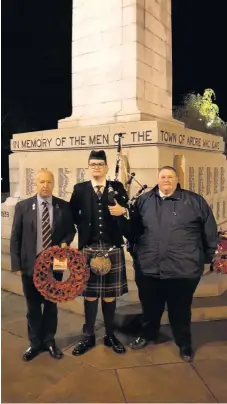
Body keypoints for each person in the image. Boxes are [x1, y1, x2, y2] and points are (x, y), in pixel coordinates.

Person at [127, 166, 218, 361]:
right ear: (157, 179)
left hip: (183, 270)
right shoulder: (144, 201)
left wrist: (207, 257)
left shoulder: (194, 201)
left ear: (177, 179)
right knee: (150, 308)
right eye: (162, 176)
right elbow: (133, 231)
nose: (166, 180)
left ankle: (184, 344)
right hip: (149, 268)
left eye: (170, 176)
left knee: (180, 311)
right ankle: (147, 334)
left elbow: (209, 231)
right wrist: (136, 255)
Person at [10, 170, 76, 361]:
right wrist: (17, 265)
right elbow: (15, 237)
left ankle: (49, 341)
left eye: (48, 181)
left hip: (55, 265)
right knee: (32, 307)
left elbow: (70, 231)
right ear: (35, 184)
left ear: (53, 183)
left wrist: (65, 242)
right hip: (30, 266)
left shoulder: (63, 206)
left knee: (50, 305)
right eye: (41, 181)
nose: (45, 185)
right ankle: (35, 343)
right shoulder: (23, 207)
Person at [69, 150, 129, 355]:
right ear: (88, 166)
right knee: (90, 295)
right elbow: (72, 215)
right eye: (92, 164)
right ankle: (88, 337)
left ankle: (110, 335)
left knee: (110, 295)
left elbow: (127, 209)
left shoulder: (117, 187)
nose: (96, 167)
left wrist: (123, 211)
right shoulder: (80, 189)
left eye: (100, 164)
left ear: (106, 167)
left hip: (112, 247)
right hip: (89, 247)